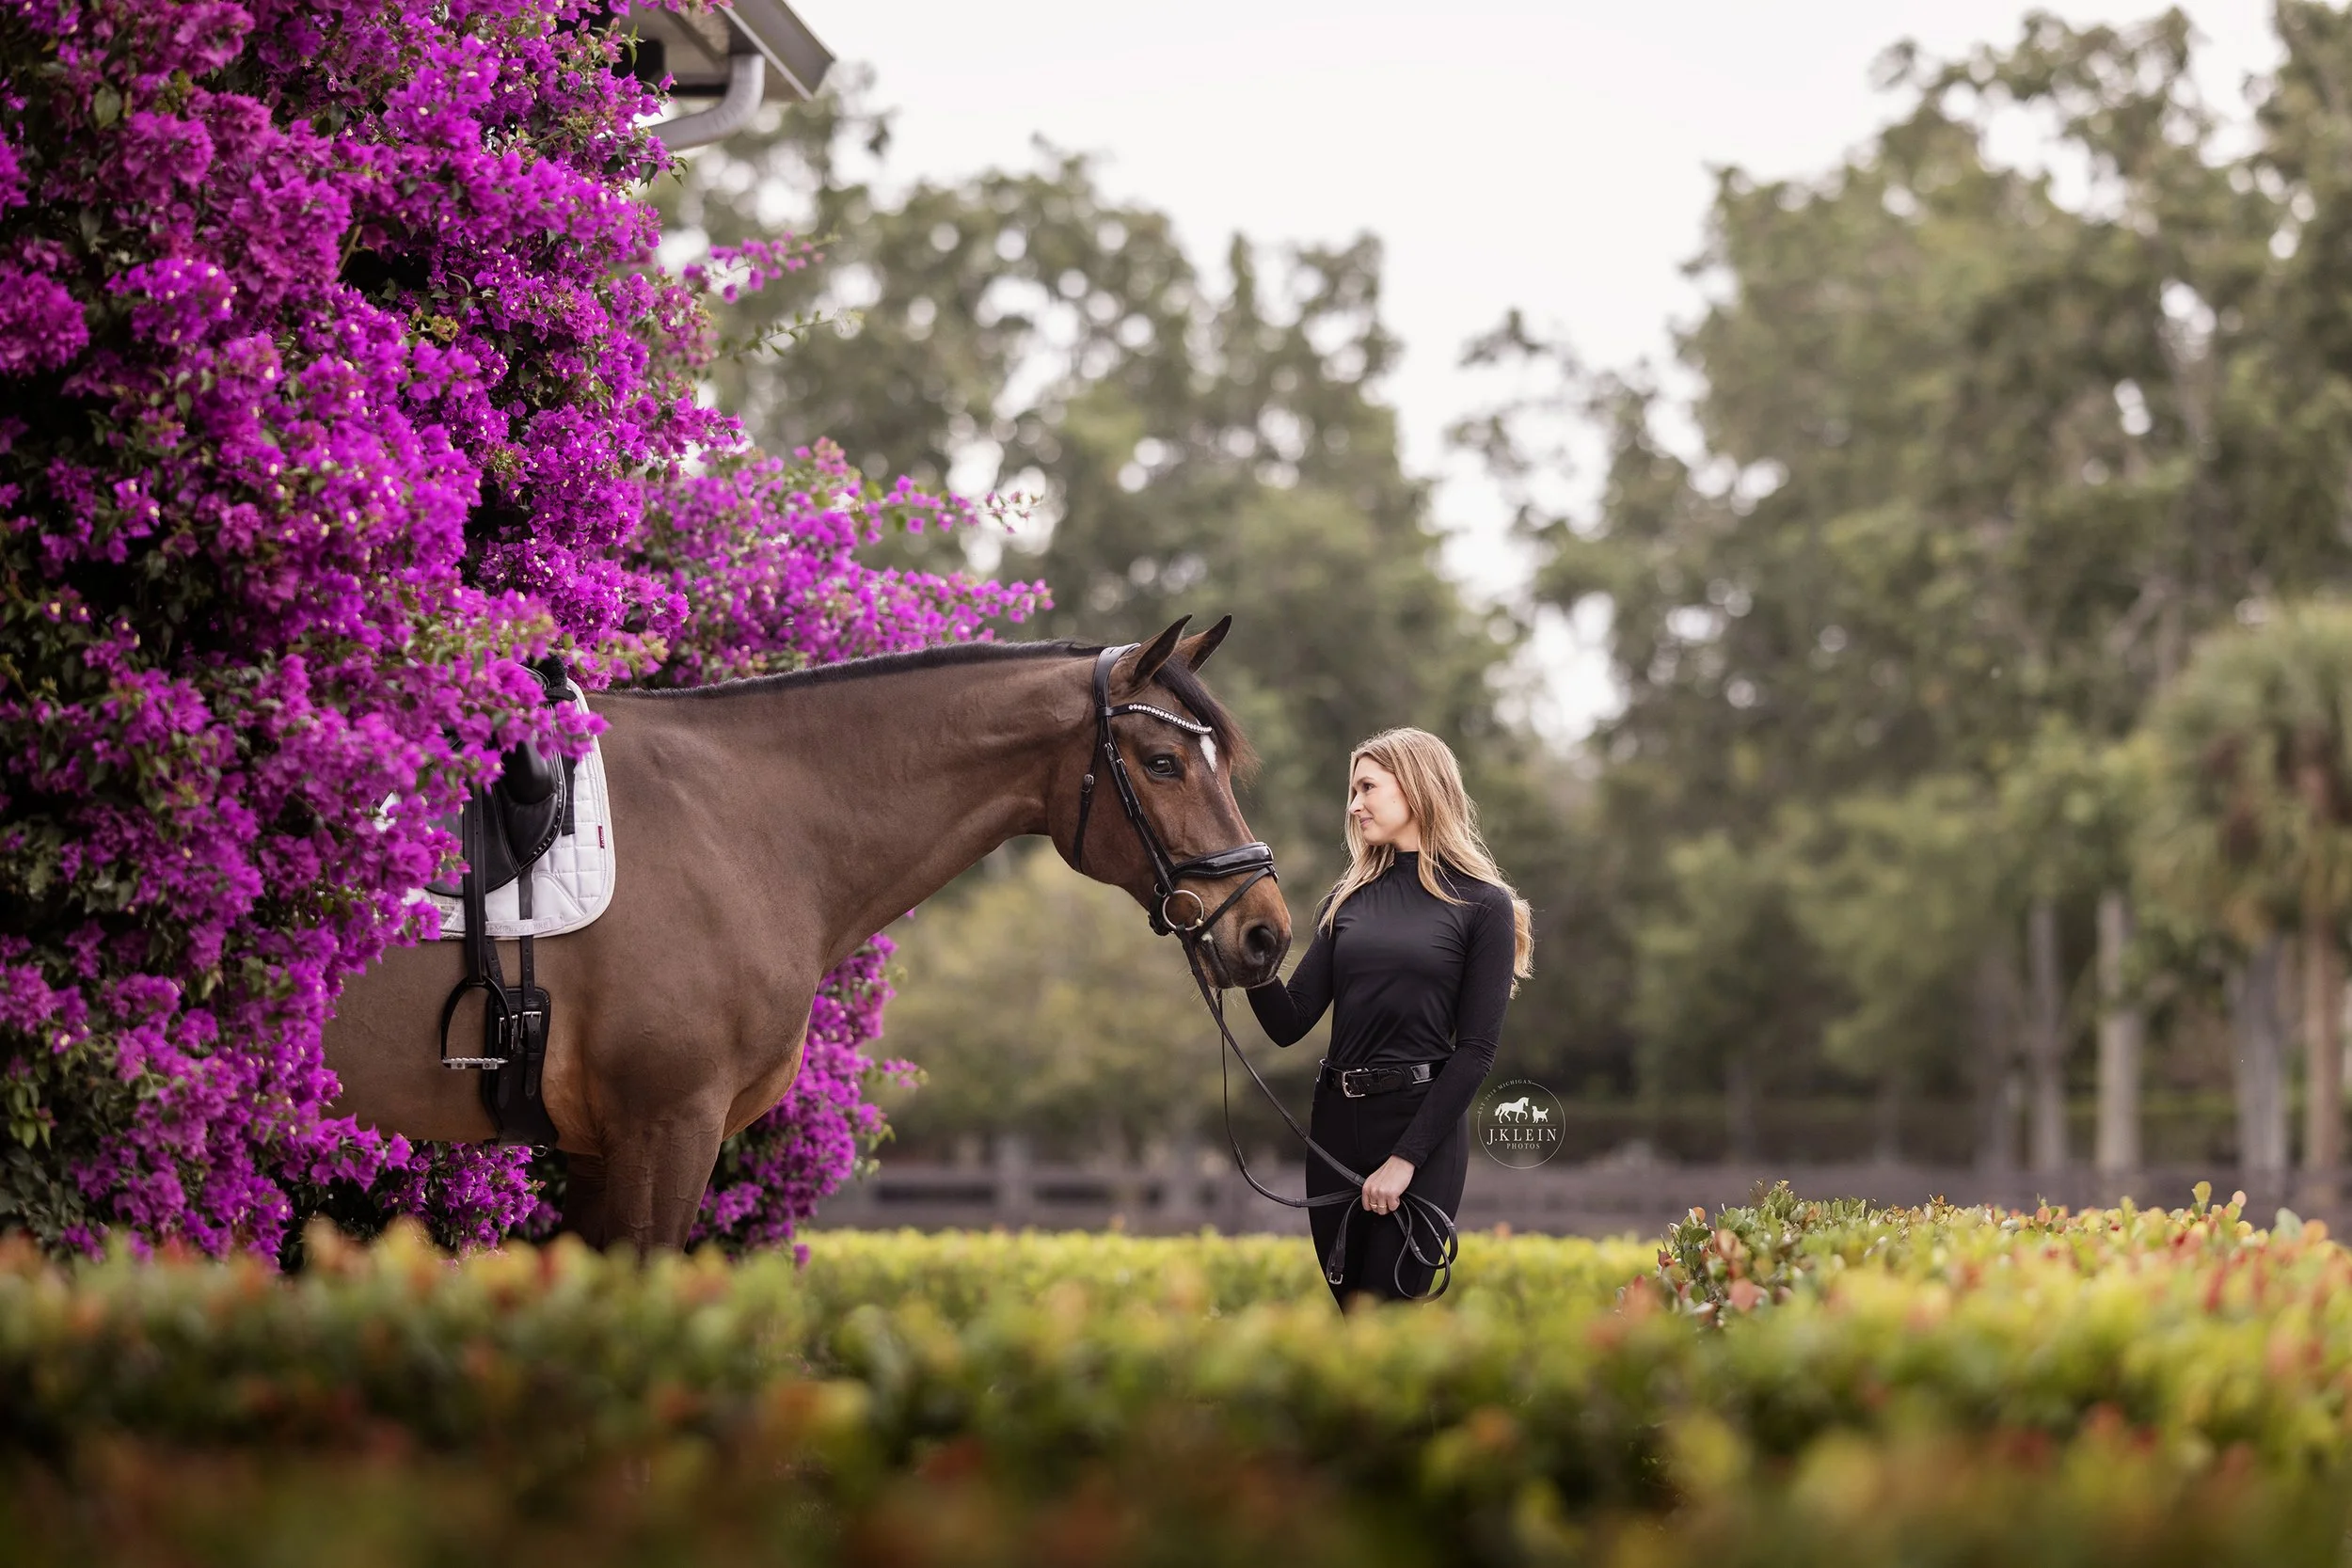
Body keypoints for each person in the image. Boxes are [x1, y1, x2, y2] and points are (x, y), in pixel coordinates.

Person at [1246, 727, 1533, 1307]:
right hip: (1334, 1129)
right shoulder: (1347, 898)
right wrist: (1240, 957)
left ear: (1417, 787)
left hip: (1418, 1133)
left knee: (1387, 1315)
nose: (1354, 806)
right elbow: (1290, 1021)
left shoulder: (1483, 905)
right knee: (1354, 1317)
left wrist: (1404, 1161)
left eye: (1367, 788)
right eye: (1352, 791)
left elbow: (1476, 1050)